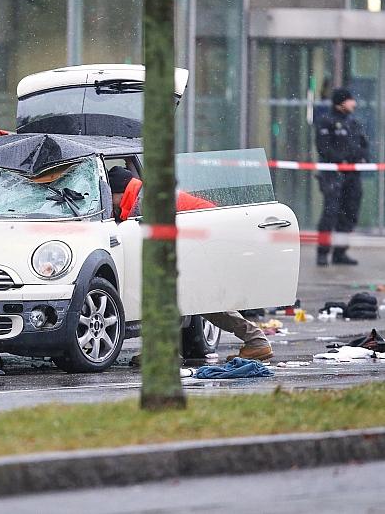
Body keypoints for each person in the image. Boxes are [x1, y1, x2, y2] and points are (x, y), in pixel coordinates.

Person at [108, 167, 273, 361]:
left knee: (197, 299)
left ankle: (256, 342)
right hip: (205, 240)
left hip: (206, 242)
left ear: (118, 193)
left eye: (109, 197)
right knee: (190, 298)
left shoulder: (145, 203)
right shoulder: (143, 196)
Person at [314, 87, 369, 266]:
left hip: (353, 176)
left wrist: (362, 158)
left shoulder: (354, 122)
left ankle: (340, 252)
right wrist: (341, 160)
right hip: (333, 175)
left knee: (349, 213)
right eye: (350, 100)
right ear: (341, 102)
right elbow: (323, 148)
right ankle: (323, 252)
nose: (354, 103)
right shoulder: (326, 121)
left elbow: (363, 145)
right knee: (330, 213)